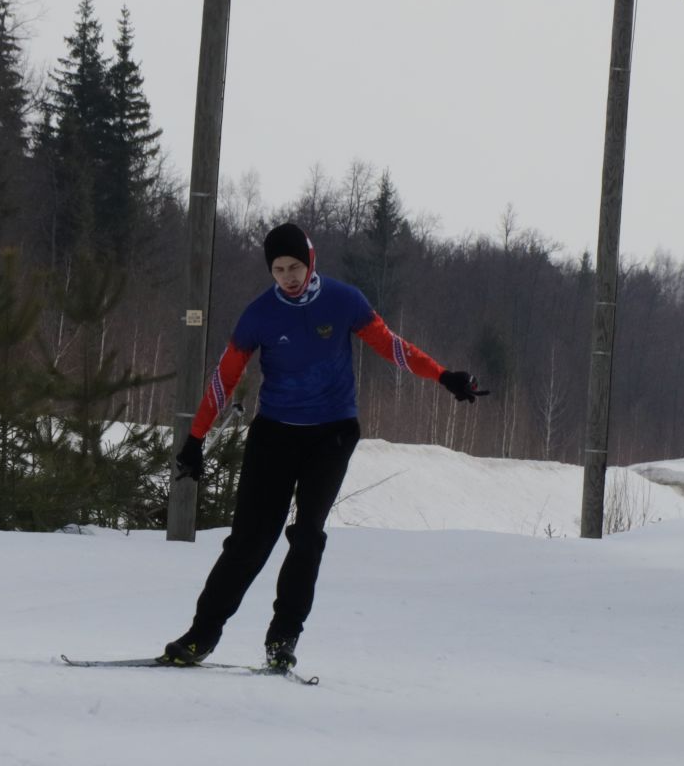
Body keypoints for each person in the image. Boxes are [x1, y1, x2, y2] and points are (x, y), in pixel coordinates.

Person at [164, 222, 486, 671]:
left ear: (310, 260)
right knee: (250, 541)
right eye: (278, 270)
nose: (288, 277)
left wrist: (443, 374)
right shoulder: (259, 314)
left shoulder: (343, 300)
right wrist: (195, 439)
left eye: (295, 266)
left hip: (331, 433)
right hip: (274, 432)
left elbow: (391, 347)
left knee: (308, 534)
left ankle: (282, 639)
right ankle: (201, 636)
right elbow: (225, 378)